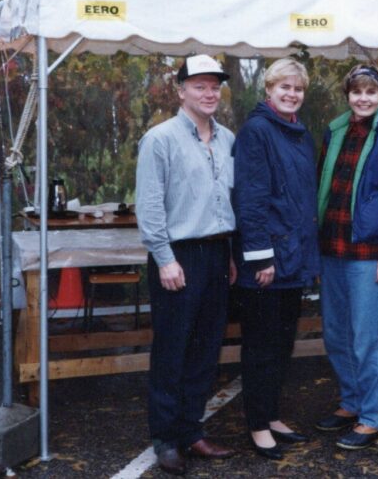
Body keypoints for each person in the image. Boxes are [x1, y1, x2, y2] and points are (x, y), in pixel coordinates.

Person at [135, 54, 238, 476]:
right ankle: (166, 438)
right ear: (181, 91)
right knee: (172, 351)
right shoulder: (160, 140)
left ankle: (192, 431)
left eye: (215, 86)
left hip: (216, 254)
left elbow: (227, 202)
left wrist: (229, 256)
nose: (209, 93)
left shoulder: (228, 139)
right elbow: (150, 205)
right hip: (178, 256)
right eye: (199, 85)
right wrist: (164, 259)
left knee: (205, 350)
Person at [314, 63, 378, 451]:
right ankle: (351, 402)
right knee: (337, 334)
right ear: (348, 95)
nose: (364, 98)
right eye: (357, 92)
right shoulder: (335, 133)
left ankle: (374, 417)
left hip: (370, 255)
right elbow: (323, 188)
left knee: (367, 338)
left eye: (371, 92)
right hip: (332, 251)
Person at [232, 58, 320, 461]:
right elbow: (250, 200)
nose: (291, 94)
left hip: (294, 258)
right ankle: (256, 424)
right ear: (268, 90)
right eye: (284, 87)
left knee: (283, 344)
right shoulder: (256, 131)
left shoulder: (299, 133)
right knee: (261, 346)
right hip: (266, 263)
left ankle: (272, 415)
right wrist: (261, 259)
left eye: (298, 88)